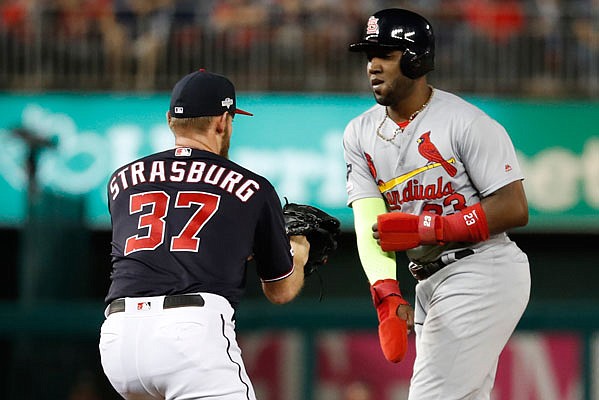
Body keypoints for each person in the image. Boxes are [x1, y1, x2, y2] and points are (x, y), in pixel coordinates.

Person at [343, 8, 530, 400]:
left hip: (481, 266)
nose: (373, 66)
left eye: (386, 54)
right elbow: (368, 219)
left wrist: (433, 228)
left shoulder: (465, 122)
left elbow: (514, 207)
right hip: (427, 280)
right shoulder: (359, 133)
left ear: (416, 59)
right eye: (369, 56)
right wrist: (386, 293)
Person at [99, 69, 309, 400]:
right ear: (223, 121)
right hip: (188, 336)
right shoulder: (251, 187)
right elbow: (280, 291)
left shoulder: (121, 180)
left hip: (118, 339)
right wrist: (299, 248)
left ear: (170, 120)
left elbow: (169, 237)